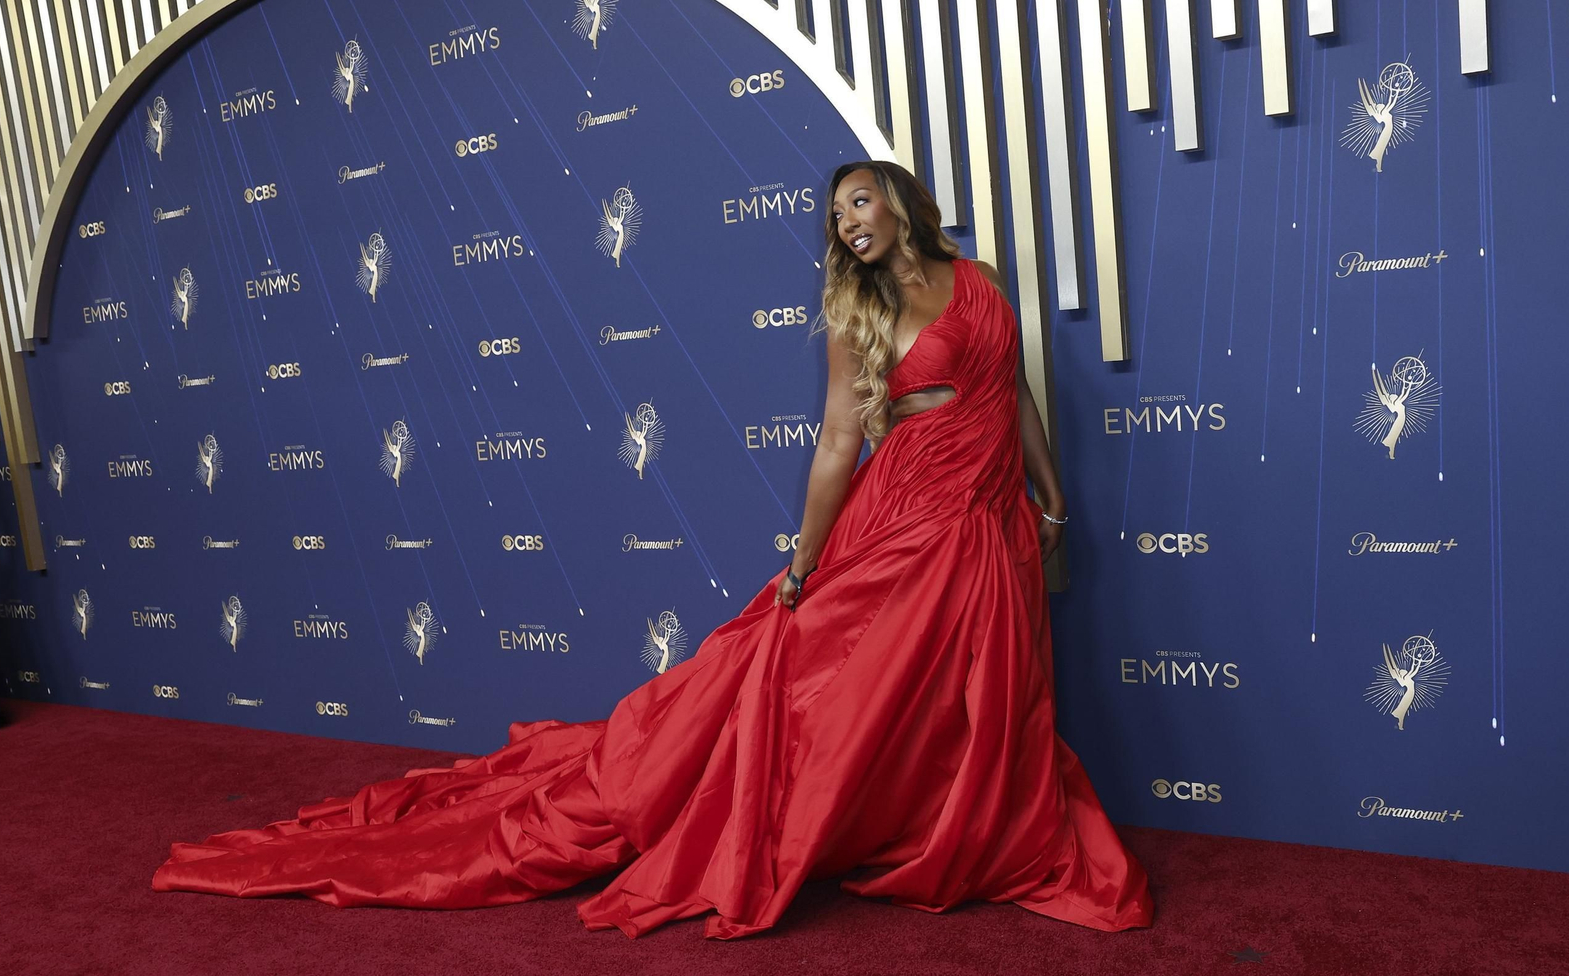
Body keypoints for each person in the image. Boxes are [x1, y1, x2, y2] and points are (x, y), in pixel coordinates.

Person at [151, 160, 1155, 939]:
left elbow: (1009, 389)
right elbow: (840, 443)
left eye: (859, 202)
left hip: (994, 516)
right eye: (836, 216)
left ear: (897, 201)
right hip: (909, 516)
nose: (848, 222)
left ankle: (952, 828)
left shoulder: (973, 281)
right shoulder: (861, 315)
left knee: (976, 693)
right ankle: (827, 822)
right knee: (844, 684)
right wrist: (804, 563)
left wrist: (1051, 492)